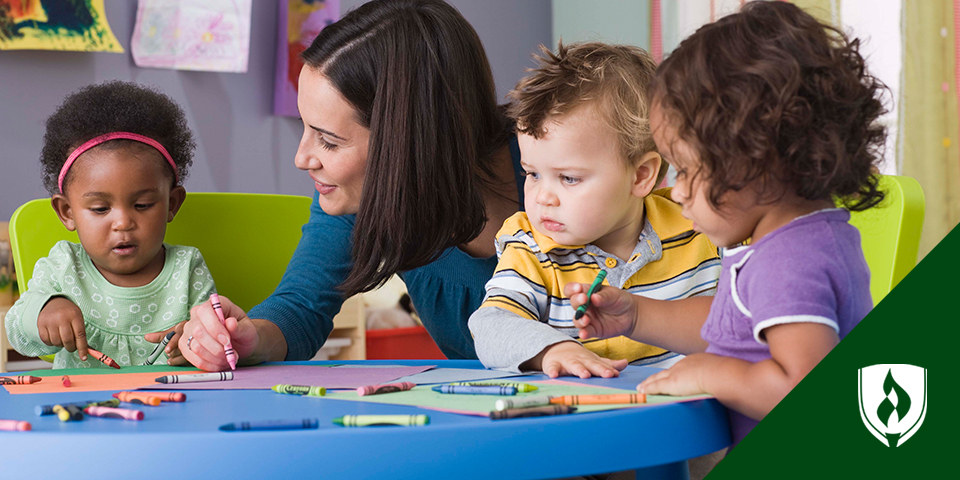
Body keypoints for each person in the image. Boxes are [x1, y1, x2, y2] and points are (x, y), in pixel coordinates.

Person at [568, 1, 883, 446]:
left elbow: (805, 390)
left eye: (687, 170)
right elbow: (739, 331)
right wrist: (636, 314)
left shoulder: (789, 261)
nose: (676, 192)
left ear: (755, 158)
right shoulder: (803, 237)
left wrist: (713, 373)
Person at [175, 0, 528, 371]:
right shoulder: (358, 194)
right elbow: (301, 305)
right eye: (305, 127)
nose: (302, 158)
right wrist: (248, 338)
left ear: (409, 141)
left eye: (328, 140)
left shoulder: (558, 174)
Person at [468, 42, 721, 379]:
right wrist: (552, 350)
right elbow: (490, 326)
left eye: (568, 178)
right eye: (532, 174)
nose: (543, 197)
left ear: (642, 175)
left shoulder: (699, 223)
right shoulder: (530, 244)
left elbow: (747, 318)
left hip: (694, 412)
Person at [3, 81, 217, 368]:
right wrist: (44, 311)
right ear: (67, 212)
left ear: (172, 203)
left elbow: (213, 337)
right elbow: (17, 330)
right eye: (101, 208)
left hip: (171, 403)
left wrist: (194, 343)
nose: (123, 222)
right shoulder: (64, 265)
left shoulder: (187, 268)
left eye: (142, 205)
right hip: (82, 406)